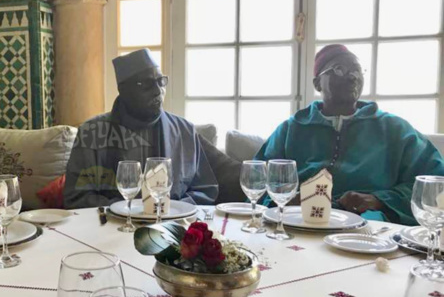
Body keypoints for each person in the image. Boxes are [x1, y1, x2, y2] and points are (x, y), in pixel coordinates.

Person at [255, 44, 444, 225]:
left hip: (370, 225)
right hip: (298, 221)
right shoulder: (291, 129)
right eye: (339, 69)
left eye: (357, 70)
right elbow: (259, 181)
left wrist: (380, 200)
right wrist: (284, 202)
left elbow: (435, 184)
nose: (352, 76)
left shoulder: (395, 129)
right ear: (317, 83)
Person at [64, 49, 219, 209]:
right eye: (146, 84)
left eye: (161, 81)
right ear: (123, 90)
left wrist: (172, 208)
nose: (158, 91)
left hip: (173, 225)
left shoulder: (184, 131)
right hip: (111, 226)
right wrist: (129, 210)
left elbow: (205, 190)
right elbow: (77, 197)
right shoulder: (92, 133)